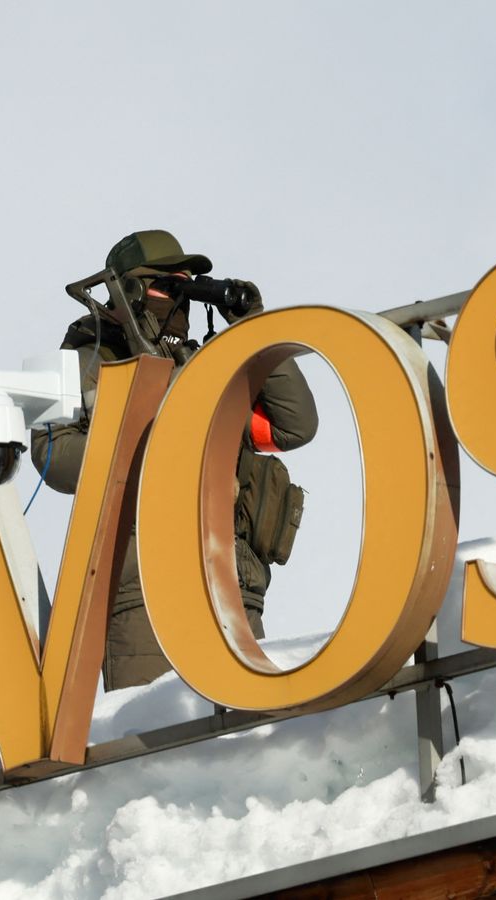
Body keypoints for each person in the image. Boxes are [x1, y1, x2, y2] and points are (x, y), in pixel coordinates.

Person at [32, 230, 318, 690]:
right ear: (130, 291)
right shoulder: (76, 359)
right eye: (170, 286)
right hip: (141, 589)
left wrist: (255, 327)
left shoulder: (200, 367)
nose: (182, 299)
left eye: (188, 286)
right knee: (158, 743)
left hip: (229, 577)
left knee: (246, 736)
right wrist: (152, 442)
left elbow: (294, 425)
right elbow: (49, 457)